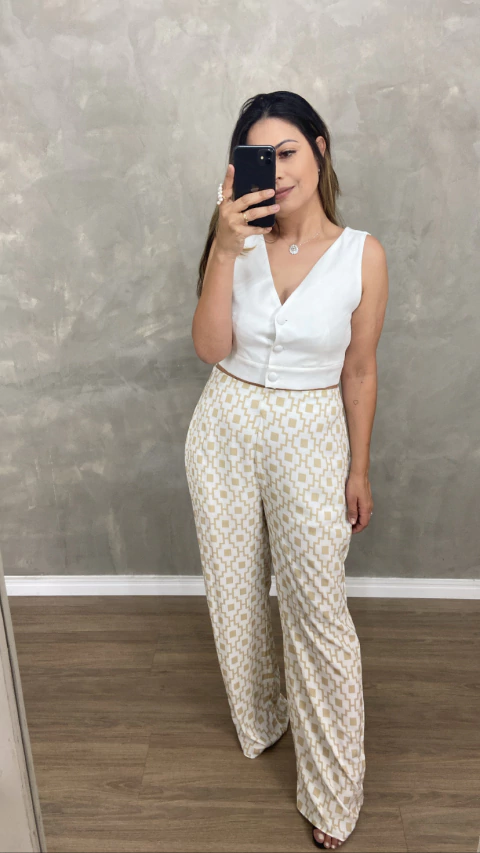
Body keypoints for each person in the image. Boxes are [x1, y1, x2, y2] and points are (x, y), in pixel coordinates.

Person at [184, 90, 389, 850]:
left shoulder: (362, 253)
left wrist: (358, 468)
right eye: (260, 156)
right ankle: (264, 716)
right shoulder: (233, 240)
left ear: (320, 149)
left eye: (289, 151)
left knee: (316, 609)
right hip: (225, 426)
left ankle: (333, 790)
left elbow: (359, 370)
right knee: (235, 593)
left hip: (311, 433)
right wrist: (222, 247)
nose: (276, 170)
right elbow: (210, 349)